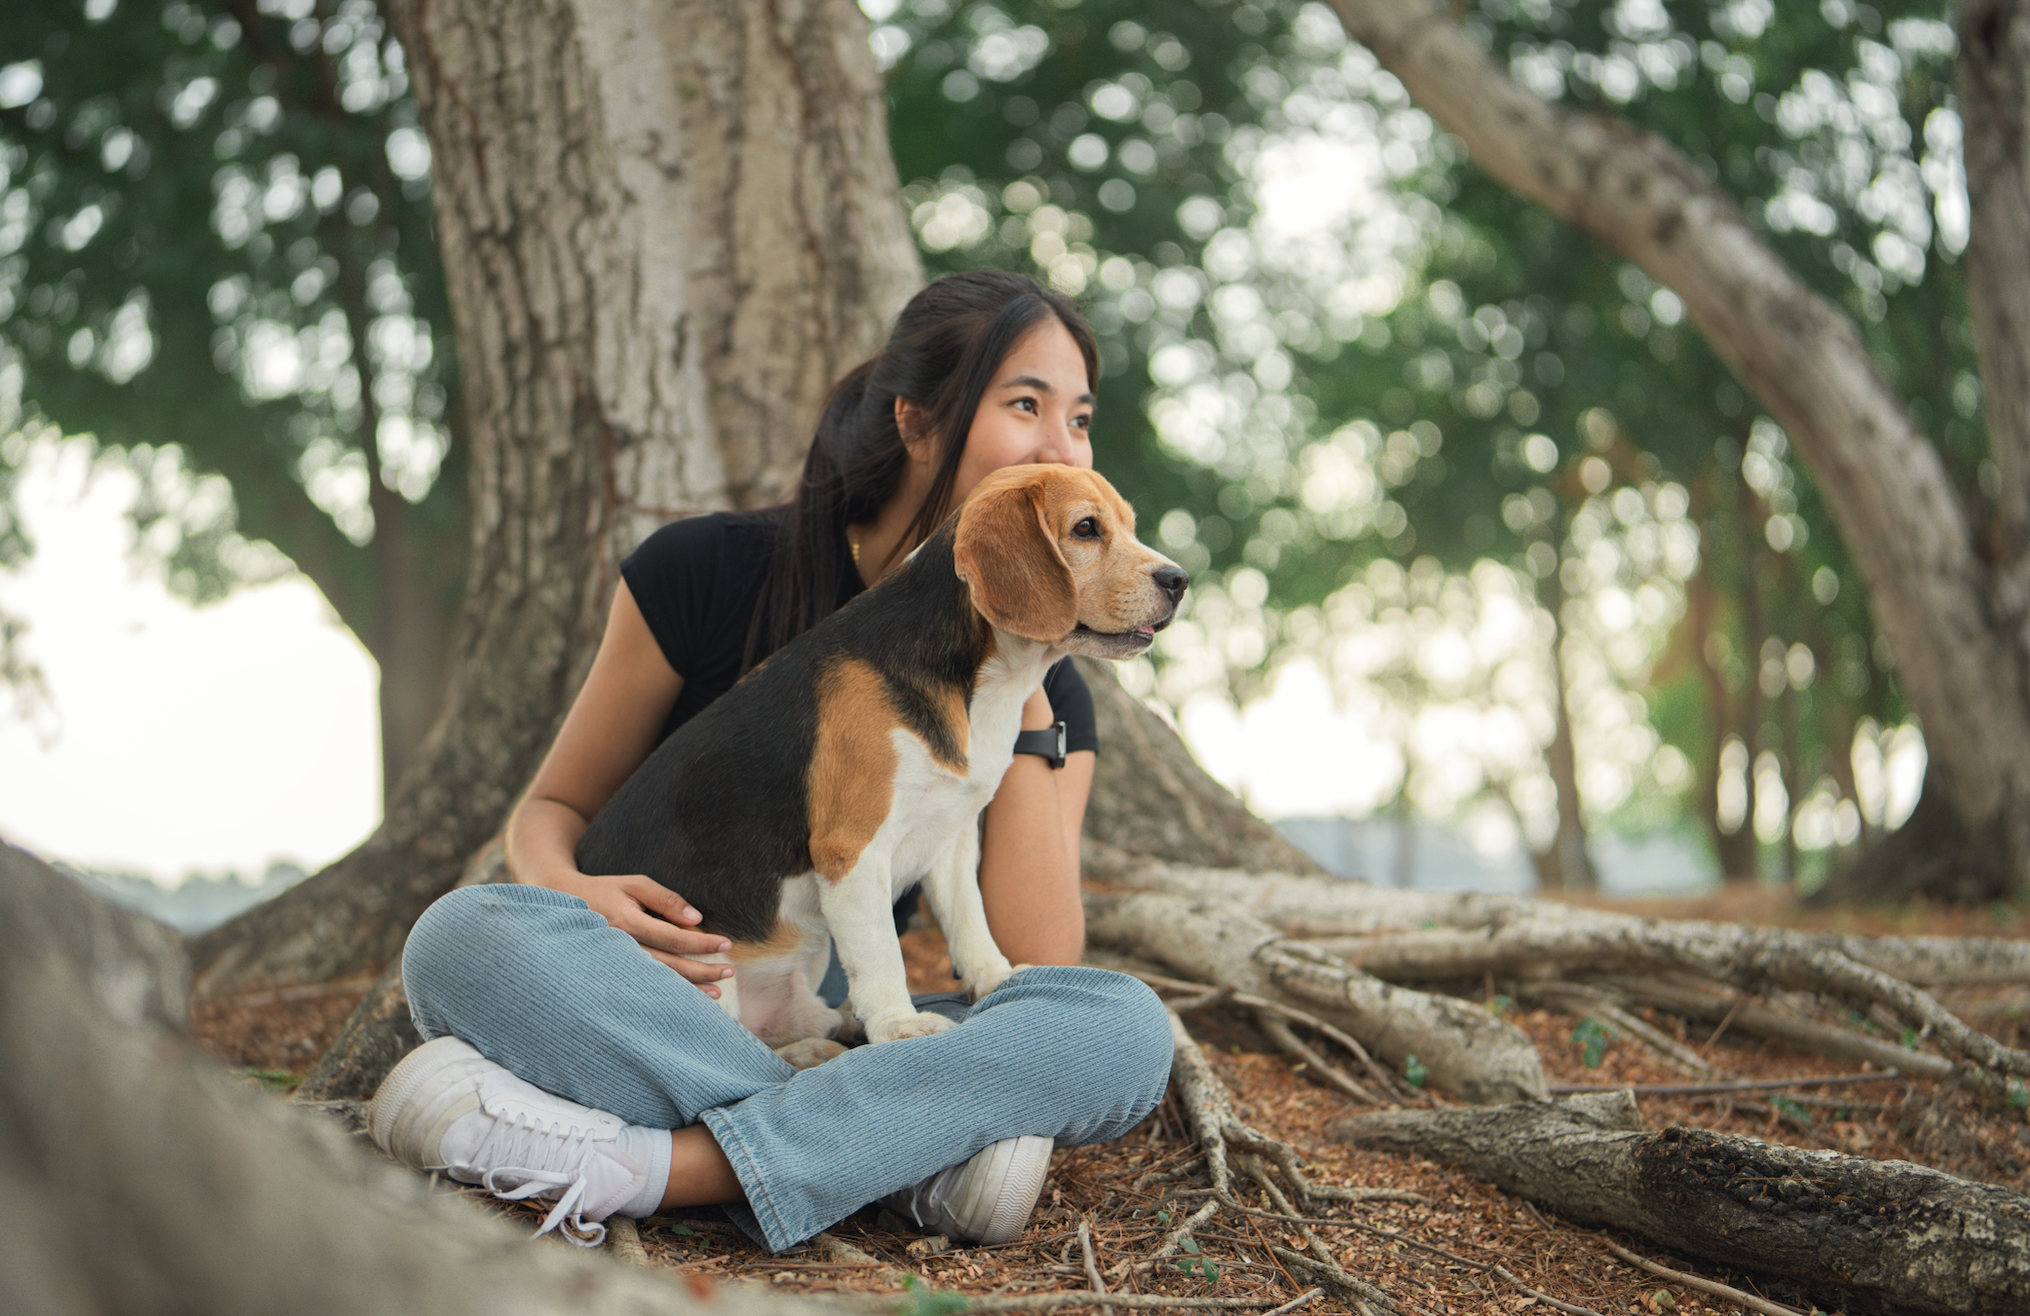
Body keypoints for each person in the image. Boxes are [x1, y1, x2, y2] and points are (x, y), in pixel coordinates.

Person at [370, 271, 1175, 1255]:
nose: (1061, 447)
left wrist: (1028, 665)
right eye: (1025, 405)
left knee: (1123, 1027)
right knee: (457, 938)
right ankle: (906, 1151)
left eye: (1080, 419)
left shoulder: (1055, 680)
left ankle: (656, 1162)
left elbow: (1035, 964)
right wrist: (577, 894)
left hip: (827, 1013)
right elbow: (554, 805)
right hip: (664, 985)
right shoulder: (704, 569)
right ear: (918, 424)